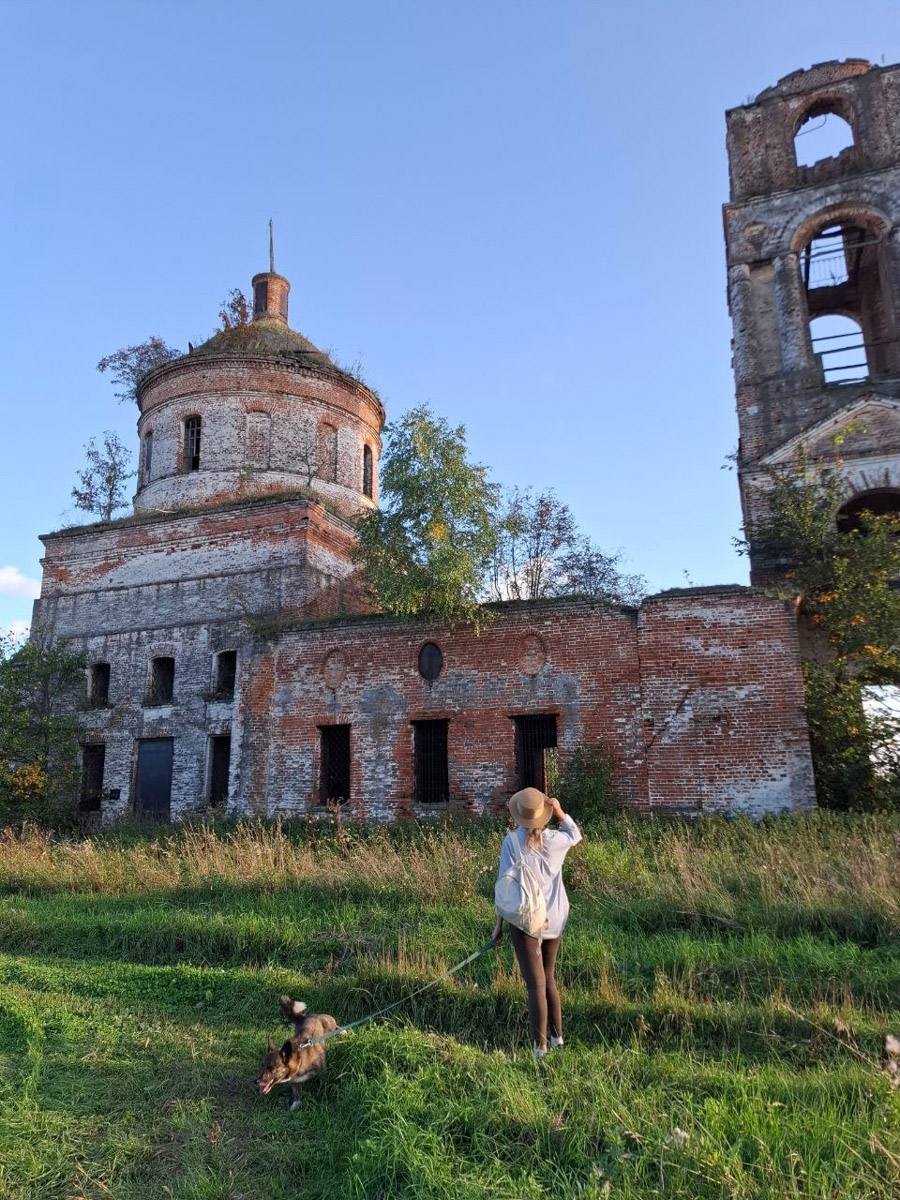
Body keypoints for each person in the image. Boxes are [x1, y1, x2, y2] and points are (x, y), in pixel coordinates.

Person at [492, 786, 583, 1060]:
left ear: (519, 815)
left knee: (535, 985)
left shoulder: (511, 842)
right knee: (549, 979)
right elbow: (575, 834)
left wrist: (498, 926)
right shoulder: (556, 840)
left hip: (525, 920)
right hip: (554, 918)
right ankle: (557, 1039)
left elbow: (504, 889)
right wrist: (559, 811)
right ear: (543, 815)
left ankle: (540, 1050)